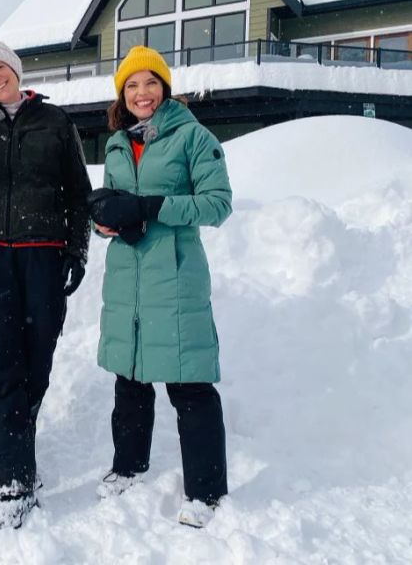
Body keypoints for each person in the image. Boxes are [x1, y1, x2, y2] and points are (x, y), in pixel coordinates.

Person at [90, 45, 232, 529]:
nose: (142, 93)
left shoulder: (193, 137)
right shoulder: (114, 144)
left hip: (174, 277)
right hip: (128, 279)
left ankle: (207, 491)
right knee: (129, 380)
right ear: (121, 95)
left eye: (150, 82)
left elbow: (216, 205)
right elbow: (116, 204)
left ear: (165, 88)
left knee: (189, 385)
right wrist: (106, 222)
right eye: (132, 85)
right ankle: (129, 466)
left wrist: (151, 208)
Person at [0, 39, 91, 532]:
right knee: (0, 362)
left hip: (43, 255)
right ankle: (12, 482)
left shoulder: (55, 124)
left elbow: (79, 194)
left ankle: (16, 443)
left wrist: (76, 251)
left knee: (38, 360)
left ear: (15, 71)